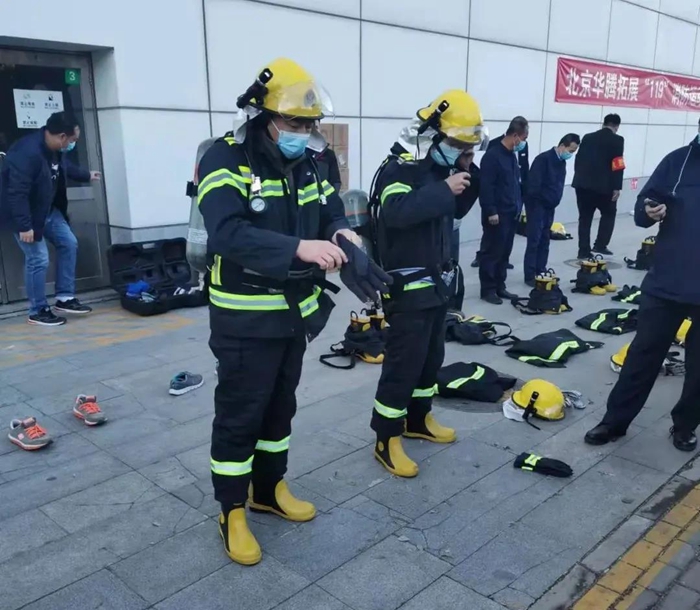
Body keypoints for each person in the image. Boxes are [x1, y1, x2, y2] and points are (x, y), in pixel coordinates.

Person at [197, 58, 387, 566]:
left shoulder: (310, 161)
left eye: (310, 124)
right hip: (244, 317)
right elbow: (227, 232)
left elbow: (329, 211)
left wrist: (343, 236)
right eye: (294, 123)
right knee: (240, 414)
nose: (304, 132)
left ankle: (268, 488)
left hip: (294, 314)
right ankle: (231, 509)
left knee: (280, 407)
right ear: (264, 115)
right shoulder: (225, 158)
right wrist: (298, 248)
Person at [369, 89, 482, 478]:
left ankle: (418, 418)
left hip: (436, 283)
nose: (460, 151)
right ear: (433, 135)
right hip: (407, 286)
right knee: (403, 364)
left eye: (466, 146)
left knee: (431, 357)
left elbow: (458, 208)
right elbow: (395, 213)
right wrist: (442, 189)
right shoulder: (400, 169)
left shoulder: (438, 172)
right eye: (456, 144)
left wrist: (468, 168)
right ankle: (386, 438)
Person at [584, 133, 700, 453]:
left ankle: (686, 425)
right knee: (642, 356)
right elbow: (644, 203)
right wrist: (648, 210)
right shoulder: (677, 161)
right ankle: (614, 421)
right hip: (667, 282)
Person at [0, 112, 100, 326]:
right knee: (38, 258)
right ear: (62, 136)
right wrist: (24, 226)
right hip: (25, 214)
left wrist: (86, 175)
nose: (73, 144)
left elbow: (64, 167)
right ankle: (38, 311)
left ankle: (64, 297)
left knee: (69, 243)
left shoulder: (53, 149)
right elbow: (16, 193)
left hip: (47, 210)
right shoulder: (27, 153)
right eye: (73, 140)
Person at [479, 117, 528, 304]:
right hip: (497, 214)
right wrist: (491, 211)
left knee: (504, 252)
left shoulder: (511, 155)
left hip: (511, 212)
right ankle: (488, 289)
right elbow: (486, 186)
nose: (523, 143)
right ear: (515, 136)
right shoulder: (493, 156)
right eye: (523, 138)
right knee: (492, 252)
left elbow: (514, 183)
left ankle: (500, 286)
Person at [523, 133, 580, 285]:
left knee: (545, 239)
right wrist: (544, 199)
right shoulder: (543, 160)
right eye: (570, 150)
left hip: (550, 206)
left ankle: (541, 269)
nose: (570, 154)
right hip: (537, 206)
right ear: (562, 146)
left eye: (573, 152)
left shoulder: (561, 162)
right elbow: (534, 186)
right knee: (534, 240)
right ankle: (530, 275)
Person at [572, 113, 625, 259]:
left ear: (604, 123)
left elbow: (578, 159)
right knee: (609, 214)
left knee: (585, 218)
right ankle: (600, 244)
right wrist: (617, 187)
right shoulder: (617, 140)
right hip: (604, 188)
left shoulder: (587, 137)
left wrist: (579, 178)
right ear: (617, 126)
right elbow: (618, 164)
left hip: (583, 186)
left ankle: (583, 251)